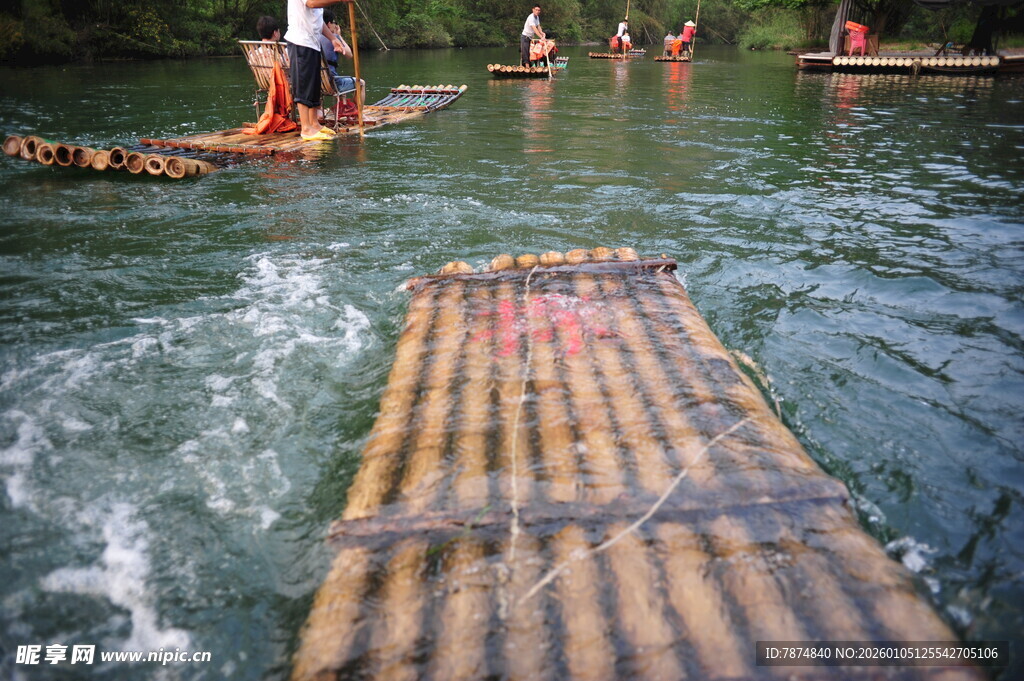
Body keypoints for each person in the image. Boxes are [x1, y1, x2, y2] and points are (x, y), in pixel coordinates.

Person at [284, 0, 350, 141]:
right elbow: (312, 3)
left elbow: (318, 21)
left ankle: (314, 123)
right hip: (300, 42)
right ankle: (306, 128)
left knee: (314, 85)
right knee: (304, 84)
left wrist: (332, 38)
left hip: (313, 43)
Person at [319, 9, 365, 104]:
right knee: (361, 83)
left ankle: (341, 109)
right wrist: (339, 36)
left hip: (317, 83)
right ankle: (357, 113)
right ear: (328, 24)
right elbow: (349, 54)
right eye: (334, 23)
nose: (335, 25)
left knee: (339, 77)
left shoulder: (312, 38)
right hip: (332, 83)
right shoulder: (333, 37)